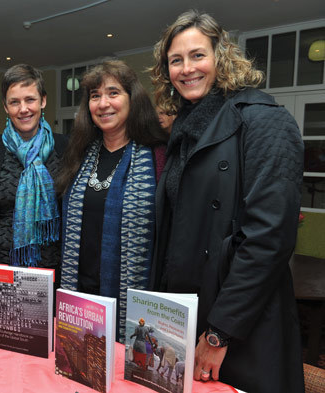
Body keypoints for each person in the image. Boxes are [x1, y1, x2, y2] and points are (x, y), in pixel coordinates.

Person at [149, 10, 304, 393]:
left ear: (222, 56)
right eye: (176, 60)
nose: (187, 68)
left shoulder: (264, 120)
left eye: (198, 55)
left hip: (241, 325)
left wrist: (219, 333)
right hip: (187, 317)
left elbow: (268, 239)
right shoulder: (184, 129)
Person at [57, 60, 167, 341]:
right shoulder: (79, 154)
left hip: (131, 297)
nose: (103, 103)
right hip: (80, 294)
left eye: (113, 93)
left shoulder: (158, 156)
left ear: (133, 99)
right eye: (95, 96)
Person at [0, 64, 67, 286]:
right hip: (6, 270)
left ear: (43, 101)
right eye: (15, 102)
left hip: (55, 273)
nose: (23, 109)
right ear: (5, 106)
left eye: (30, 99)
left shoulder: (65, 147)